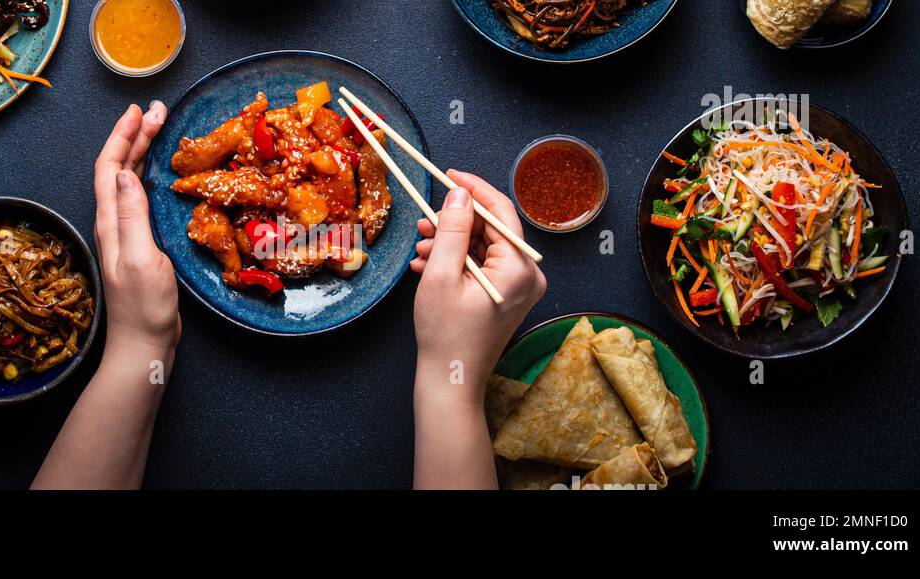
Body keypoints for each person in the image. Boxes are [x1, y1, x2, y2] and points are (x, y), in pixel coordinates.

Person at [32, 104, 546, 490]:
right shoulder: (259, 202)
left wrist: (143, 342)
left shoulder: (330, 198)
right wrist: (452, 381)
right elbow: (218, 191)